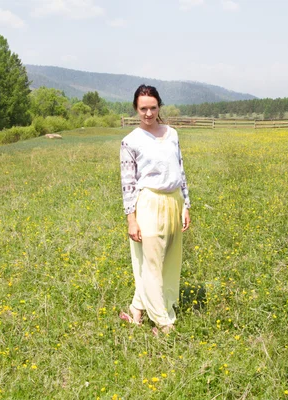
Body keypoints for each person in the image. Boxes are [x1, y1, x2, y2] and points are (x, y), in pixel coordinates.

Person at [119, 84, 191, 334]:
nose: (148, 114)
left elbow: (180, 171)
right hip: (148, 203)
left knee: (167, 261)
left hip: (173, 201)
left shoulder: (172, 134)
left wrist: (186, 205)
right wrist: (131, 219)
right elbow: (128, 183)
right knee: (151, 263)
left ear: (159, 106)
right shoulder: (130, 141)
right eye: (143, 109)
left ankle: (137, 309)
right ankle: (164, 323)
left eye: (152, 108)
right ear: (135, 109)